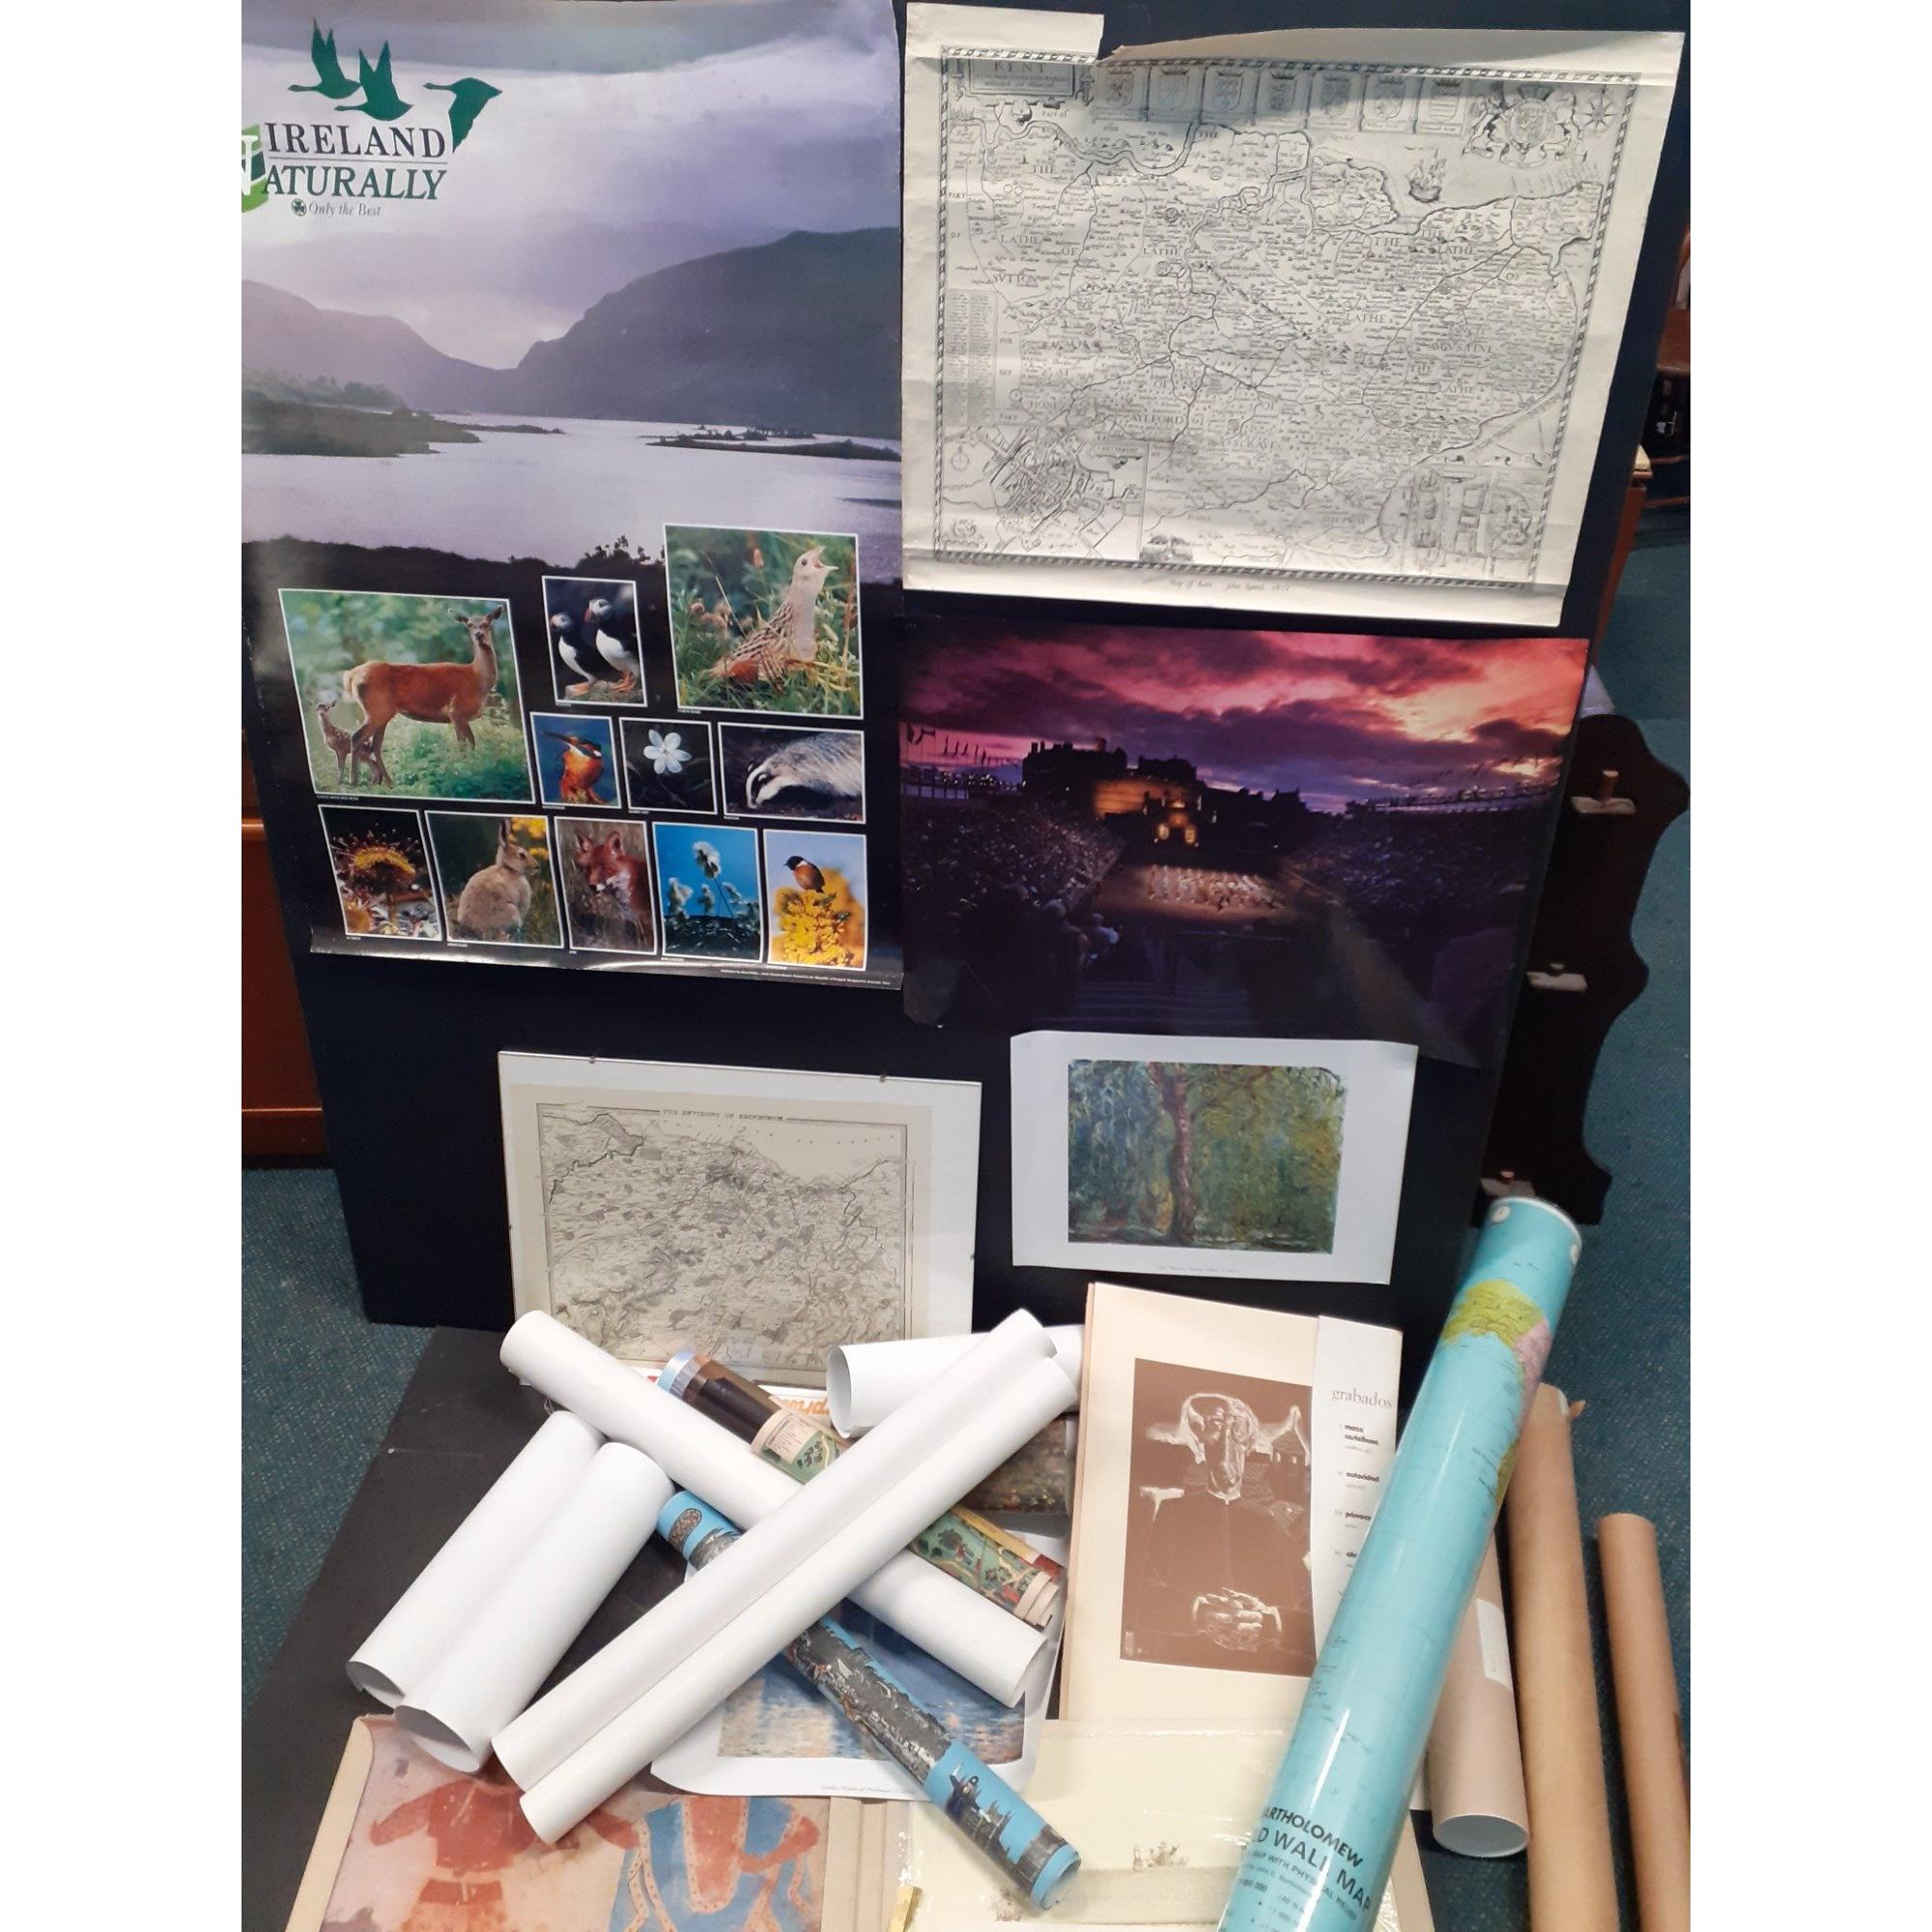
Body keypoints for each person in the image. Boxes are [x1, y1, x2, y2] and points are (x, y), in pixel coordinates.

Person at [1125, 1392, 1314, 1674]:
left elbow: (1313, 1609)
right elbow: (1138, 1597)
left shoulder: (1268, 1521)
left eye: (1236, 1431)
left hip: (1260, 1673)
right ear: (1200, 1443)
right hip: (1182, 1668)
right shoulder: (1173, 1511)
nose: (1227, 1444)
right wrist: (1200, 1613)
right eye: (1215, 1427)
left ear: (1249, 1445)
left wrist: (1272, 1623)